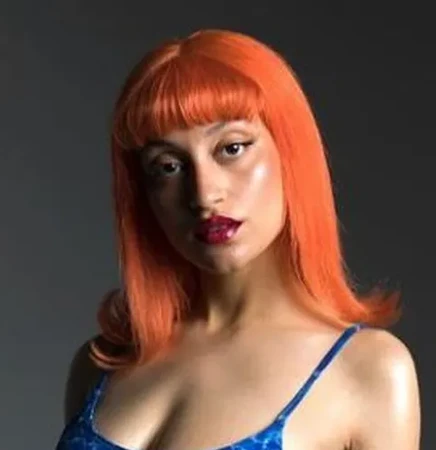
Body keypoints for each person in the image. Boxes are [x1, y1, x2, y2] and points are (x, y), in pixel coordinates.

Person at [55, 29, 420, 450]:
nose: (204, 194)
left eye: (231, 148)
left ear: (290, 153)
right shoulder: (99, 365)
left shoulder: (367, 371)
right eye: (168, 166)